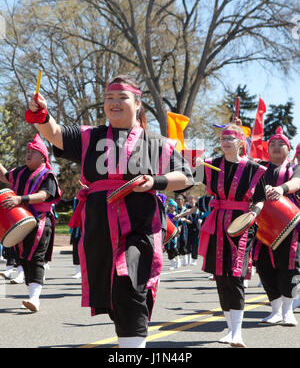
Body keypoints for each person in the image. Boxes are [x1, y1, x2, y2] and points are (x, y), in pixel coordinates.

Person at [25, 74, 194, 348]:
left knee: (131, 284)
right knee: (114, 292)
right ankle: (128, 341)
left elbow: (188, 175)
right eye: (109, 98)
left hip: (141, 225)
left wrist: (155, 181)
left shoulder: (155, 142)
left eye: (122, 98)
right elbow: (54, 134)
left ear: (138, 103)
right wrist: (41, 114)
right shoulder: (89, 136)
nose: (114, 103)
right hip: (99, 227)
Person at [196, 123, 266, 348]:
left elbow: (261, 198)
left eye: (230, 138)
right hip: (217, 222)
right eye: (223, 138)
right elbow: (190, 178)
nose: (225, 142)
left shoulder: (254, 169)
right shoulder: (212, 166)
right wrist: (193, 164)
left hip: (241, 224)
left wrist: (253, 213)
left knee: (235, 274)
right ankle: (229, 328)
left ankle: (237, 332)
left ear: (240, 142)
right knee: (220, 276)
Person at [0, 134, 61, 312]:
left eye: (32, 152)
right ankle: (32, 296)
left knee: (35, 258)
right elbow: (5, 176)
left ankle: (35, 299)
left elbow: (45, 195)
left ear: (42, 156)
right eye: (27, 151)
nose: (28, 154)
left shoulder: (47, 174)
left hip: (41, 221)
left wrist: (21, 199)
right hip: (21, 220)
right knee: (24, 258)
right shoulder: (20, 172)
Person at [253, 127, 300, 326]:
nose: (276, 147)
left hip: (289, 226)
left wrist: (281, 189)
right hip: (263, 226)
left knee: (288, 267)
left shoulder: (293, 168)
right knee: (264, 267)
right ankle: (275, 309)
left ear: (288, 149)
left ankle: (288, 310)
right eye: (272, 144)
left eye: (281, 144)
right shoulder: (259, 169)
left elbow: (297, 181)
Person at [185, 195, 201, 266]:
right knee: (188, 243)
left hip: (196, 228)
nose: (191, 201)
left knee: (195, 244)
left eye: (192, 199)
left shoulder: (198, 209)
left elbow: (201, 217)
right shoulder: (186, 209)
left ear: (195, 200)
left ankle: (194, 259)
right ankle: (188, 259)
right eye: (189, 199)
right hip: (188, 228)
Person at [166, 198, 181, 270]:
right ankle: (172, 263)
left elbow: (181, 223)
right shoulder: (166, 215)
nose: (171, 207)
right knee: (168, 248)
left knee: (174, 247)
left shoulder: (177, 215)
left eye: (172, 206)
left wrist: (180, 228)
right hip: (167, 233)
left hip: (175, 233)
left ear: (175, 207)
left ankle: (177, 260)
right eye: (170, 206)